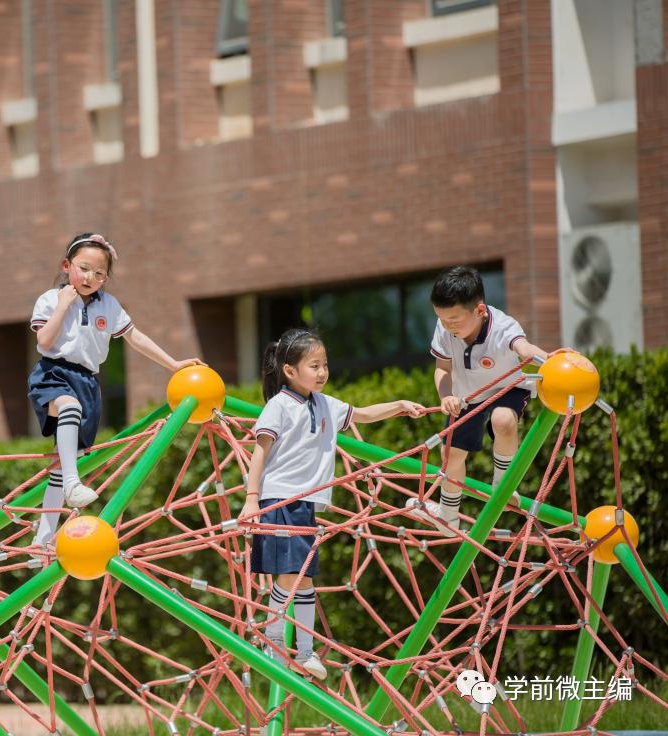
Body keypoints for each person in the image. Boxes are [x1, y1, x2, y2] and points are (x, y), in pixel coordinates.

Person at [238, 328, 424, 679]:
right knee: (292, 578)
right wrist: (251, 498)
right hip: (279, 497)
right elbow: (259, 453)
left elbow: (364, 414)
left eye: (324, 364)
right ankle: (273, 637)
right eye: (314, 365)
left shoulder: (325, 404)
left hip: (305, 503)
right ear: (290, 371)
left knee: (304, 579)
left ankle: (306, 652)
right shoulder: (278, 405)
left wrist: (399, 406)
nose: (322, 372)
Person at [28, 233, 203, 549]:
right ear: (66, 266)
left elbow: (135, 337)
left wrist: (173, 364)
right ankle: (72, 485)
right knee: (68, 410)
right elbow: (43, 341)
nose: (90, 278)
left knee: (64, 458)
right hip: (54, 373)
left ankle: (44, 534)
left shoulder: (108, 305)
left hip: (88, 382)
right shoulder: (51, 299)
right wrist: (64, 305)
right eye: (83, 268)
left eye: (99, 274)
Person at [412, 266, 548, 534]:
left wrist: (551, 360)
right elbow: (442, 369)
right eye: (442, 318)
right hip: (466, 396)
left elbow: (524, 349)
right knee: (449, 454)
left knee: (503, 420)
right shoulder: (445, 328)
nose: (448, 326)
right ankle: (448, 517)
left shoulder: (503, 327)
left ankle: (504, 487)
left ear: (480, 310)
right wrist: (446, 396)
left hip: (505, 388)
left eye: (454, 319)